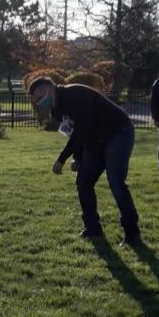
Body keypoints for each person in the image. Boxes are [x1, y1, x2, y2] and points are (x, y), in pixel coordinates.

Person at [30, 77, 141, 246]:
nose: (39, 103)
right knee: (83, 182)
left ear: (49, 88)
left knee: (116, 182)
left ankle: (132, 233)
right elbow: (75, 132)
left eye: (39, 97)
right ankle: (93, 229)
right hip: (96, 141)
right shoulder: (57, 111)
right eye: (36, 101)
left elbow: (82, 128)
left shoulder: (76, 94)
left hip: (118, 133)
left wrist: (62, 159)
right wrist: (78, 158)